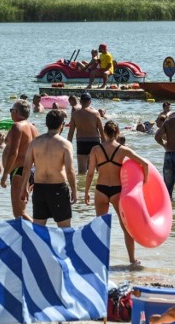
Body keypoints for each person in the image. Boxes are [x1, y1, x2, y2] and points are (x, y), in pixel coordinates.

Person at [85, 120, 149, 266]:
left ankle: (99, 261)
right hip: (117, 192)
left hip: (100, 190)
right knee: (126, 227)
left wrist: (86, 192)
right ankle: (132, 260)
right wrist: (144, 183)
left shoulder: (96, 149)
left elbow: (89, 174)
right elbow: (144, 164)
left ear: (104, 133)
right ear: (118, 132)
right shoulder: (123, 150)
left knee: (101, 227)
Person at [20, 110, 76, 227]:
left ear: (46, 124)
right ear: (62, 124)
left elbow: (26, 168)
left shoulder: (35, 142)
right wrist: (74, 191)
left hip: (39, 188)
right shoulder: (65, 144)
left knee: (38, 229)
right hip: (58, 188)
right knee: (64, 229)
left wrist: (24, 188)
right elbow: (70, 171)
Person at [0, 100, 39, 220]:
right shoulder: (33, 128)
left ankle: (43, 235)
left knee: (19, 213)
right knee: (21, 211)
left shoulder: (17, 126)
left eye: (11, 110)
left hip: (20, 171)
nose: (11, 113)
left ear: (16, 112)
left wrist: (5, 174)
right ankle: (30, 236)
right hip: (31, 171)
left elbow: (14, 153)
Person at [67, 92, 105, 174]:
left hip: (81, 142)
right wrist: (105, 146)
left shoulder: (75, 114)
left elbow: (70, 133)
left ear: (80, 102)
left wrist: (68, 147)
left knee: (82, 172)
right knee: (99, 171)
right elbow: (102, 132)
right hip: (95, 142)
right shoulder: (95, 113)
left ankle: (82, 187)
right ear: (90, 102)